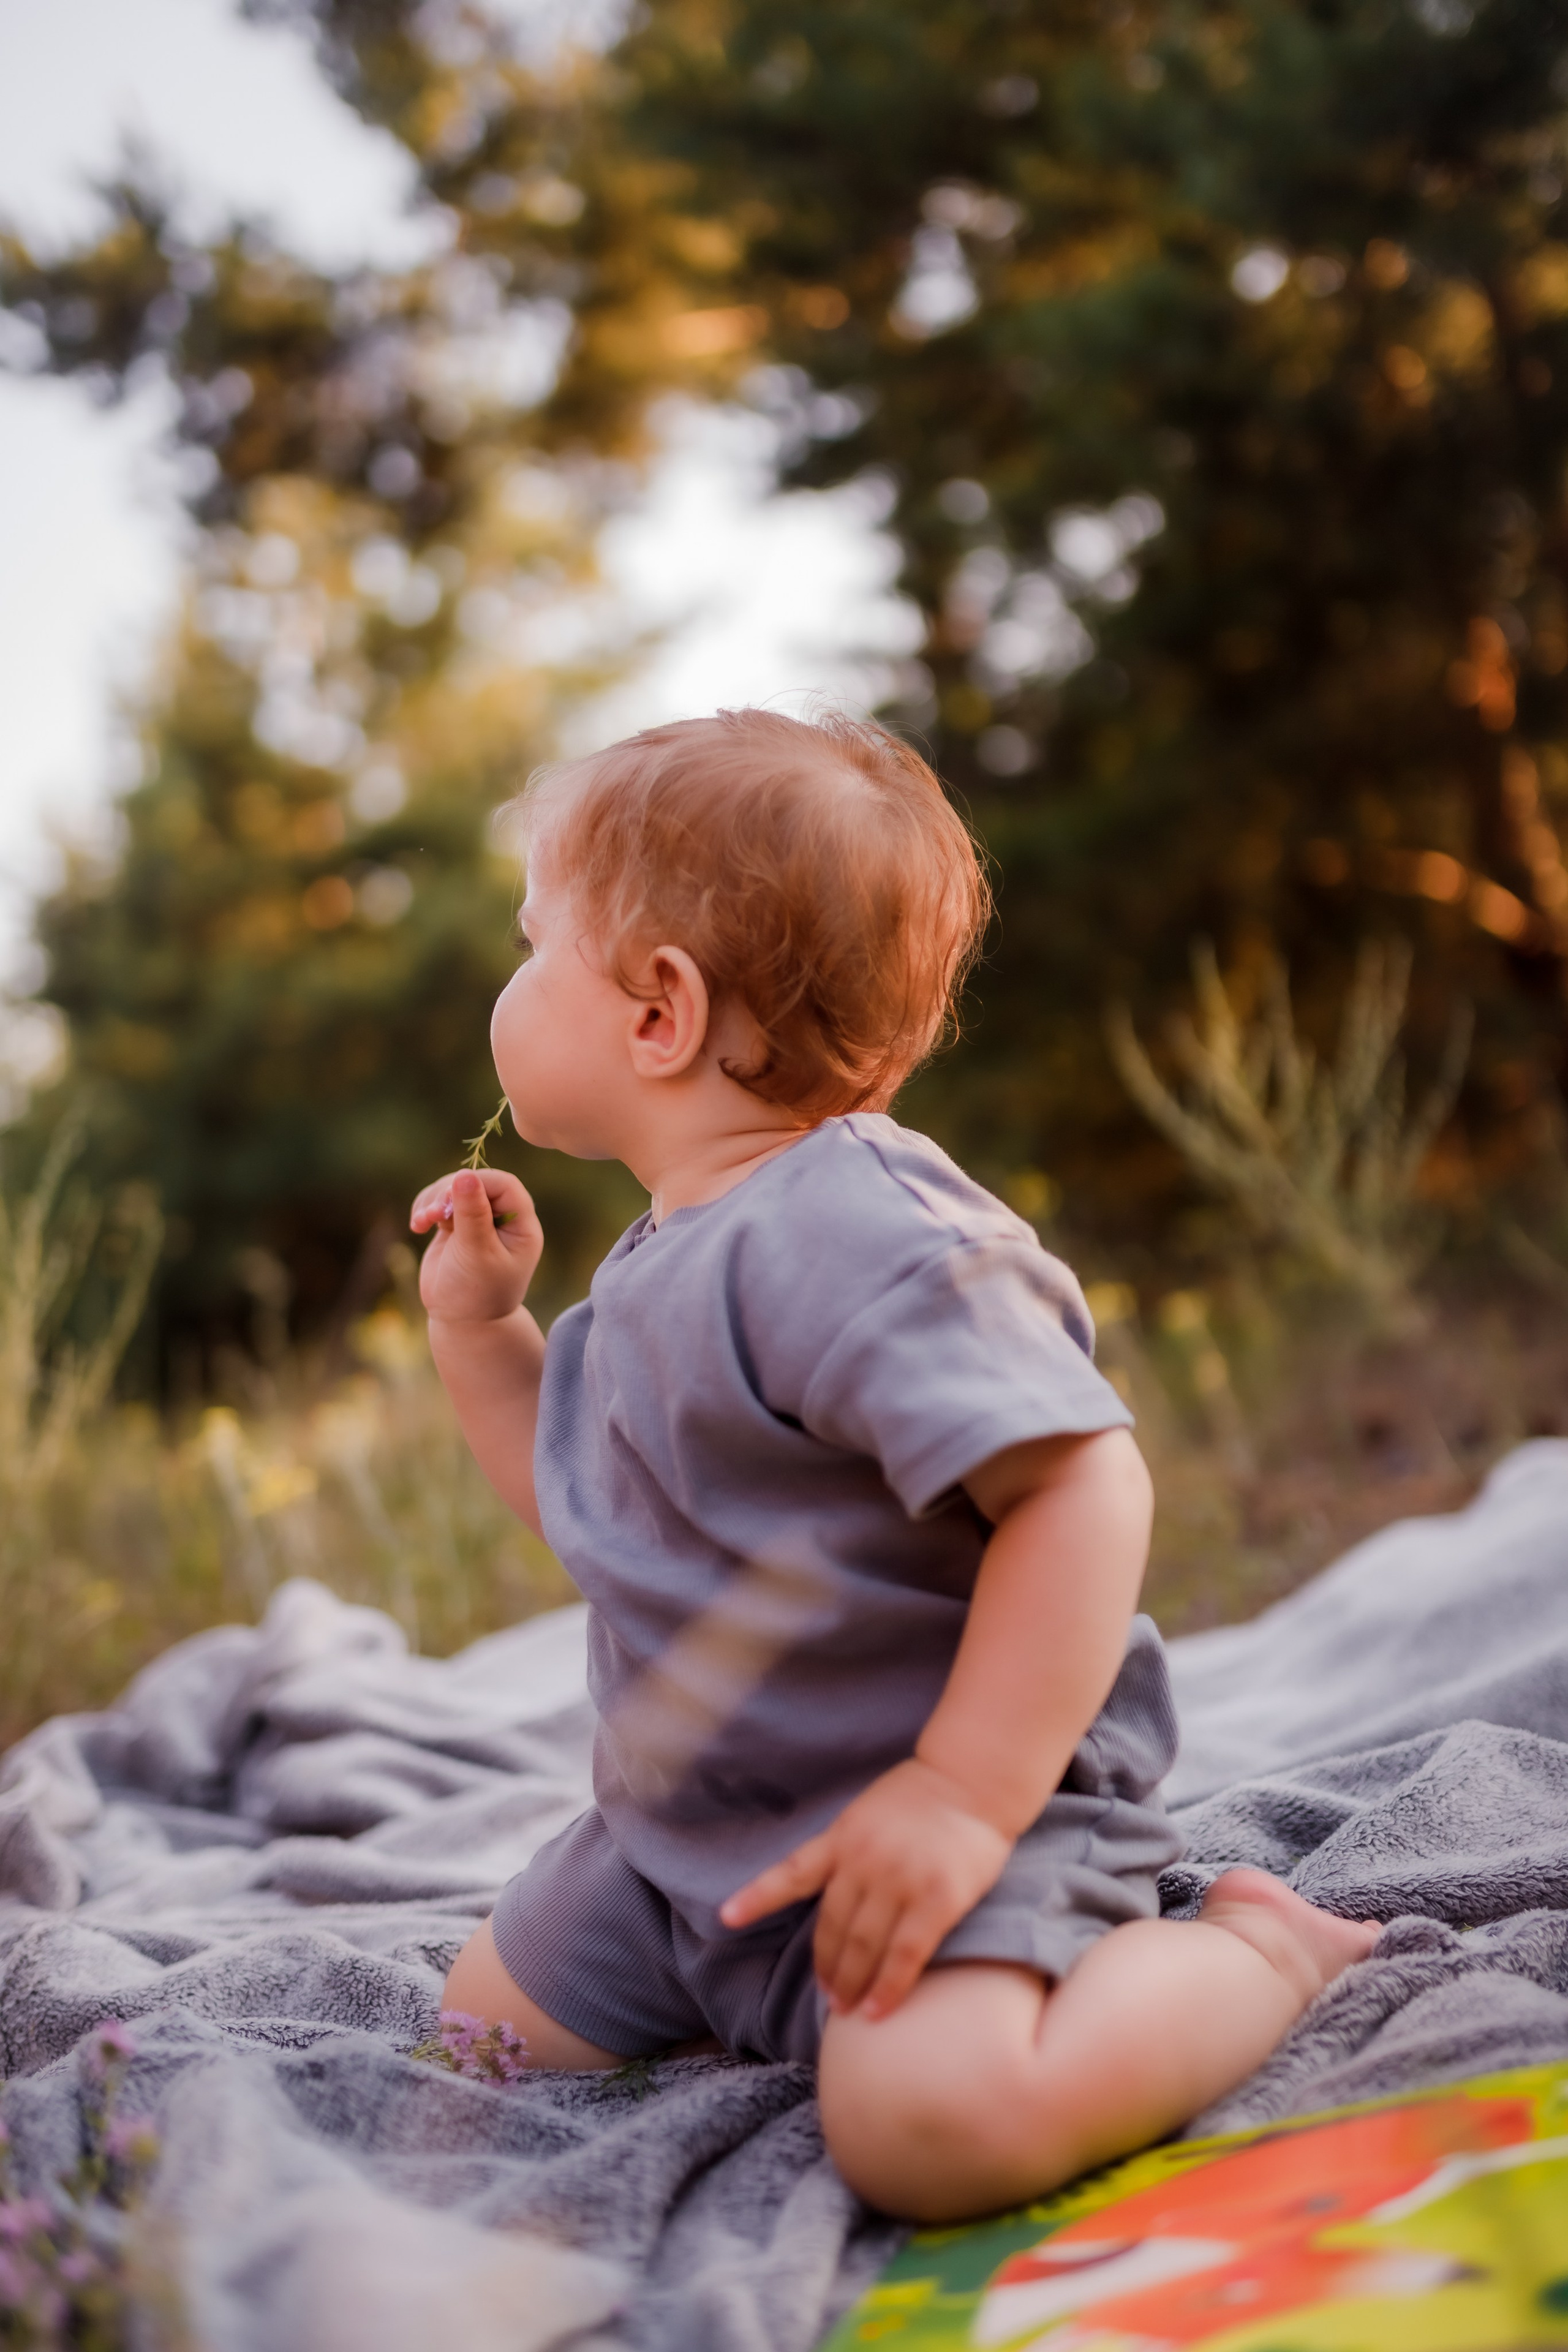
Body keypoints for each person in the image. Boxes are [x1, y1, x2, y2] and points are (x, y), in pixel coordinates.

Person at [410, 708, 1378, 2223]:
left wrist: (959, 1794)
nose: (507, 985)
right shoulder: (664, 1259)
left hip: (944, 1829)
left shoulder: (858, 1228)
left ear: (659, 1012)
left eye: (534, 947)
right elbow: (601, 1525)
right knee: (472, 2052)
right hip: (695, 1852)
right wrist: (484, 1336)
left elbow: (1081, 1485)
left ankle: (1253, 1953)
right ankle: (738, 1979)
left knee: (934, 2129)